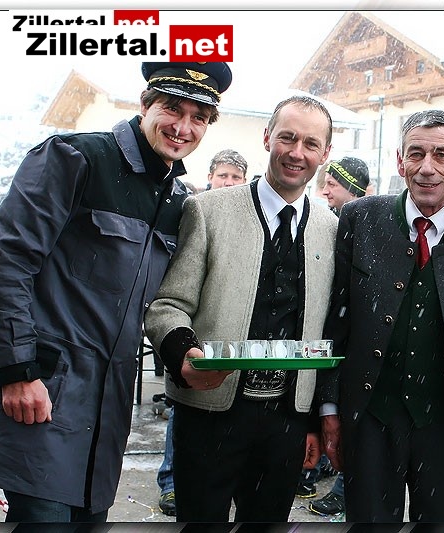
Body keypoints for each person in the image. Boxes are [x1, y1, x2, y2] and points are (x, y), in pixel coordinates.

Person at [0, 61, 230, 523]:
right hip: (44, 395)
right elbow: (9, 260)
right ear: (145, 104)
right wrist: (17, 370)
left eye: (199, 117)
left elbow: (166, 301)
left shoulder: (177, 200)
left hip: (108, 416)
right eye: (172, 108)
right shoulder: (75, 158)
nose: (183, 127)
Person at [144, 95, 338, 522]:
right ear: (267, 138)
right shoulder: (207, 211)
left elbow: (326, 330)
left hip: (286, 423)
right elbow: (167, 305)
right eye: (287, 138)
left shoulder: (331, 228)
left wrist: (312, 420)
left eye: (310, 143)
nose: (296, 152)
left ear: (325, 153)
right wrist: (184, 354)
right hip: (208, 413)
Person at [318, 109, 444, 522]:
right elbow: (336, 321)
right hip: (370, 418)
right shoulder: (360, 219)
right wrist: (329, 409)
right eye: (416, 154)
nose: (427, 168)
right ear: (400, 161)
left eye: (441, 155)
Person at [155, 147, 249, 517]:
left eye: (235, 177)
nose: (228, 182)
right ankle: (170, 482)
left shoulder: (246, 219)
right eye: (222, 175)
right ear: (210, 177)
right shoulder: (195, 209)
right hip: (191, 343)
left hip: (227, 362)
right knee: (183, 411)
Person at [305, 155, 371, 516]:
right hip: (329, 330)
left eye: (333, 184)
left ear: (352, 188)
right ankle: (319, 470)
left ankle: (344, 487)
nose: (325, 190)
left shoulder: (367, 226)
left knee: (351, 415)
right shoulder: (329, 221)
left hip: (355, 340)